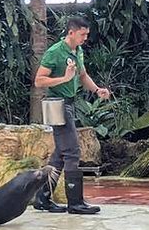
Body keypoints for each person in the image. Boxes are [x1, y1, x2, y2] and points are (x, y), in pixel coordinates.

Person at [33, 16, 110, 214]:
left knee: (60, 153)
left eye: (87, 34)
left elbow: (83, 76)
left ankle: (42, 198)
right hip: (57, 104)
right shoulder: (55, 52)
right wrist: (64, 78)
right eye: (83, 34)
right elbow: (39, 81)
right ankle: (75, 202)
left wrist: (96, 90)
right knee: (73, 151)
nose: (85, 38)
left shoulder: (78, 50)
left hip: (69, 103)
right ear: (71, 32)